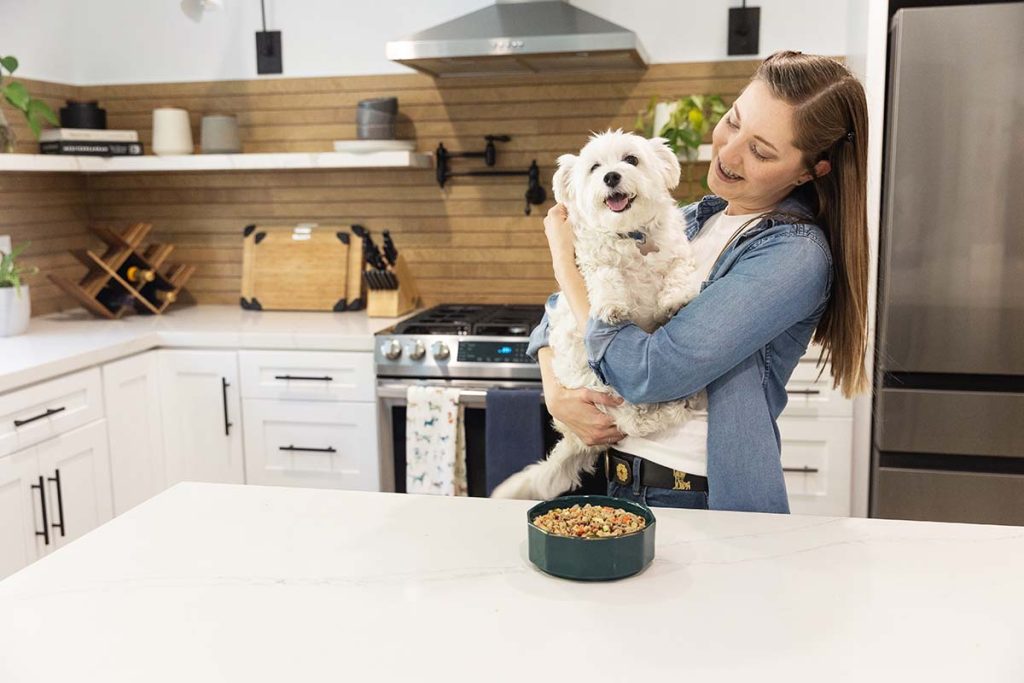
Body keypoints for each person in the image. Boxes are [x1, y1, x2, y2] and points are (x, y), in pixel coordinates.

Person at [525, 51, 870, 513]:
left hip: (695, 498)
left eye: (760, 151)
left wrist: (563, 262)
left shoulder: (793, 254)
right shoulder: (692, 219)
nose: (727, 153)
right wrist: (555, 394)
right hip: (617, 480)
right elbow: (557, 313)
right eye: (733, 121)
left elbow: (652, 372)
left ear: (812, 170)